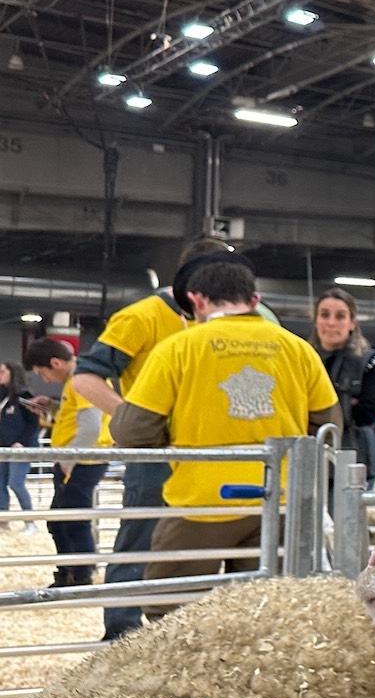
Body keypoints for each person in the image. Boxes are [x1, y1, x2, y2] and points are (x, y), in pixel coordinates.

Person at [108, 256, 339, 602]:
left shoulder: (176, 349)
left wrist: (171, 436)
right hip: (278, 500)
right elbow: (329, 426)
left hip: (199, 500)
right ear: (255, 301)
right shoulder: (299, 350)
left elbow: (132, 430)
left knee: (171, 613)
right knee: (265, 614)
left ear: (197, 301)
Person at [71, 236, 234, 640]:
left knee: (201, 547)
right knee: (140, 540)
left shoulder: (225, 325)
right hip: (157, 455)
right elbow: (85, 377)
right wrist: (136, 420)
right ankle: (121, 635)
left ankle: (189, 635)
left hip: (210, 454)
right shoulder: (141, 317)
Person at [23, 341, 108, 582]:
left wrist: (68, 461)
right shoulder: (77, 380)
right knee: (61, 521)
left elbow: (92, 426)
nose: (45, 379)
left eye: (42, 373)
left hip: (82, 462)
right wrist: (53, 407)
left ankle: (80, 578)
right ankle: (69, 573)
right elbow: (78, 418)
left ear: (55, 363)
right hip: (77, 460)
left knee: (73, 521)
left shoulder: (83, 380)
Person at [313, 289, 375, 484]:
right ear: (316, 320)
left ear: (352, 323)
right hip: (310, 459)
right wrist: (347, 402)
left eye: (340, 316)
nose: (331, 322)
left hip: (356, 461)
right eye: (324, 315)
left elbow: (367, 415)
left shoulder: (371, 361)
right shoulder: (302, 358)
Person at [0, 362, 38, 531]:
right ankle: (3, 521)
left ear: (12, 374)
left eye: (2, 372)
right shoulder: (2, 395)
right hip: (3, 447)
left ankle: (30, 522)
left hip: (21, 447)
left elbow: (33, 424)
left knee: (16, 483)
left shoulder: (25, 395)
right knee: (0, 484)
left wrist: (21, 442)